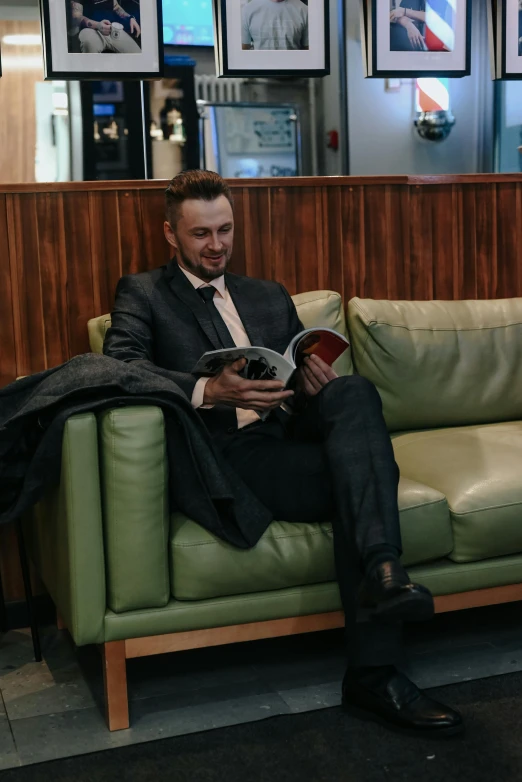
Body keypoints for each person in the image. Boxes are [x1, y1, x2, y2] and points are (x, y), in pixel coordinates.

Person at [104, 169, 464, 737]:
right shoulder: (144, 292)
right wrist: (207, 390)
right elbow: (119, 366)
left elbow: (294, 371)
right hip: (230, 450)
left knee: (353, 390)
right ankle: (376, 660)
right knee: (361, 476)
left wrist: (310, 383)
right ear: (171, 235)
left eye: (225, 230)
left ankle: (383, 576)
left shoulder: (266, 294)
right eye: (201, 235)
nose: (217, 245)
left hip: (290, 429)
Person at [68, 1, 141, 54]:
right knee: (89, 44)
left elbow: (116, 7)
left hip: (112, 29)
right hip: (90, 30)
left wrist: (130, 18)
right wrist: (98, 25)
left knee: (137, 55)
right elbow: (77, 17)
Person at [241, 0, 308, 51]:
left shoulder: (305, 10)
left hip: (294, 67)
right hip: (259, 67)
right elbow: (243, 48)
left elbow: (308, 51)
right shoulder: (247, 10)